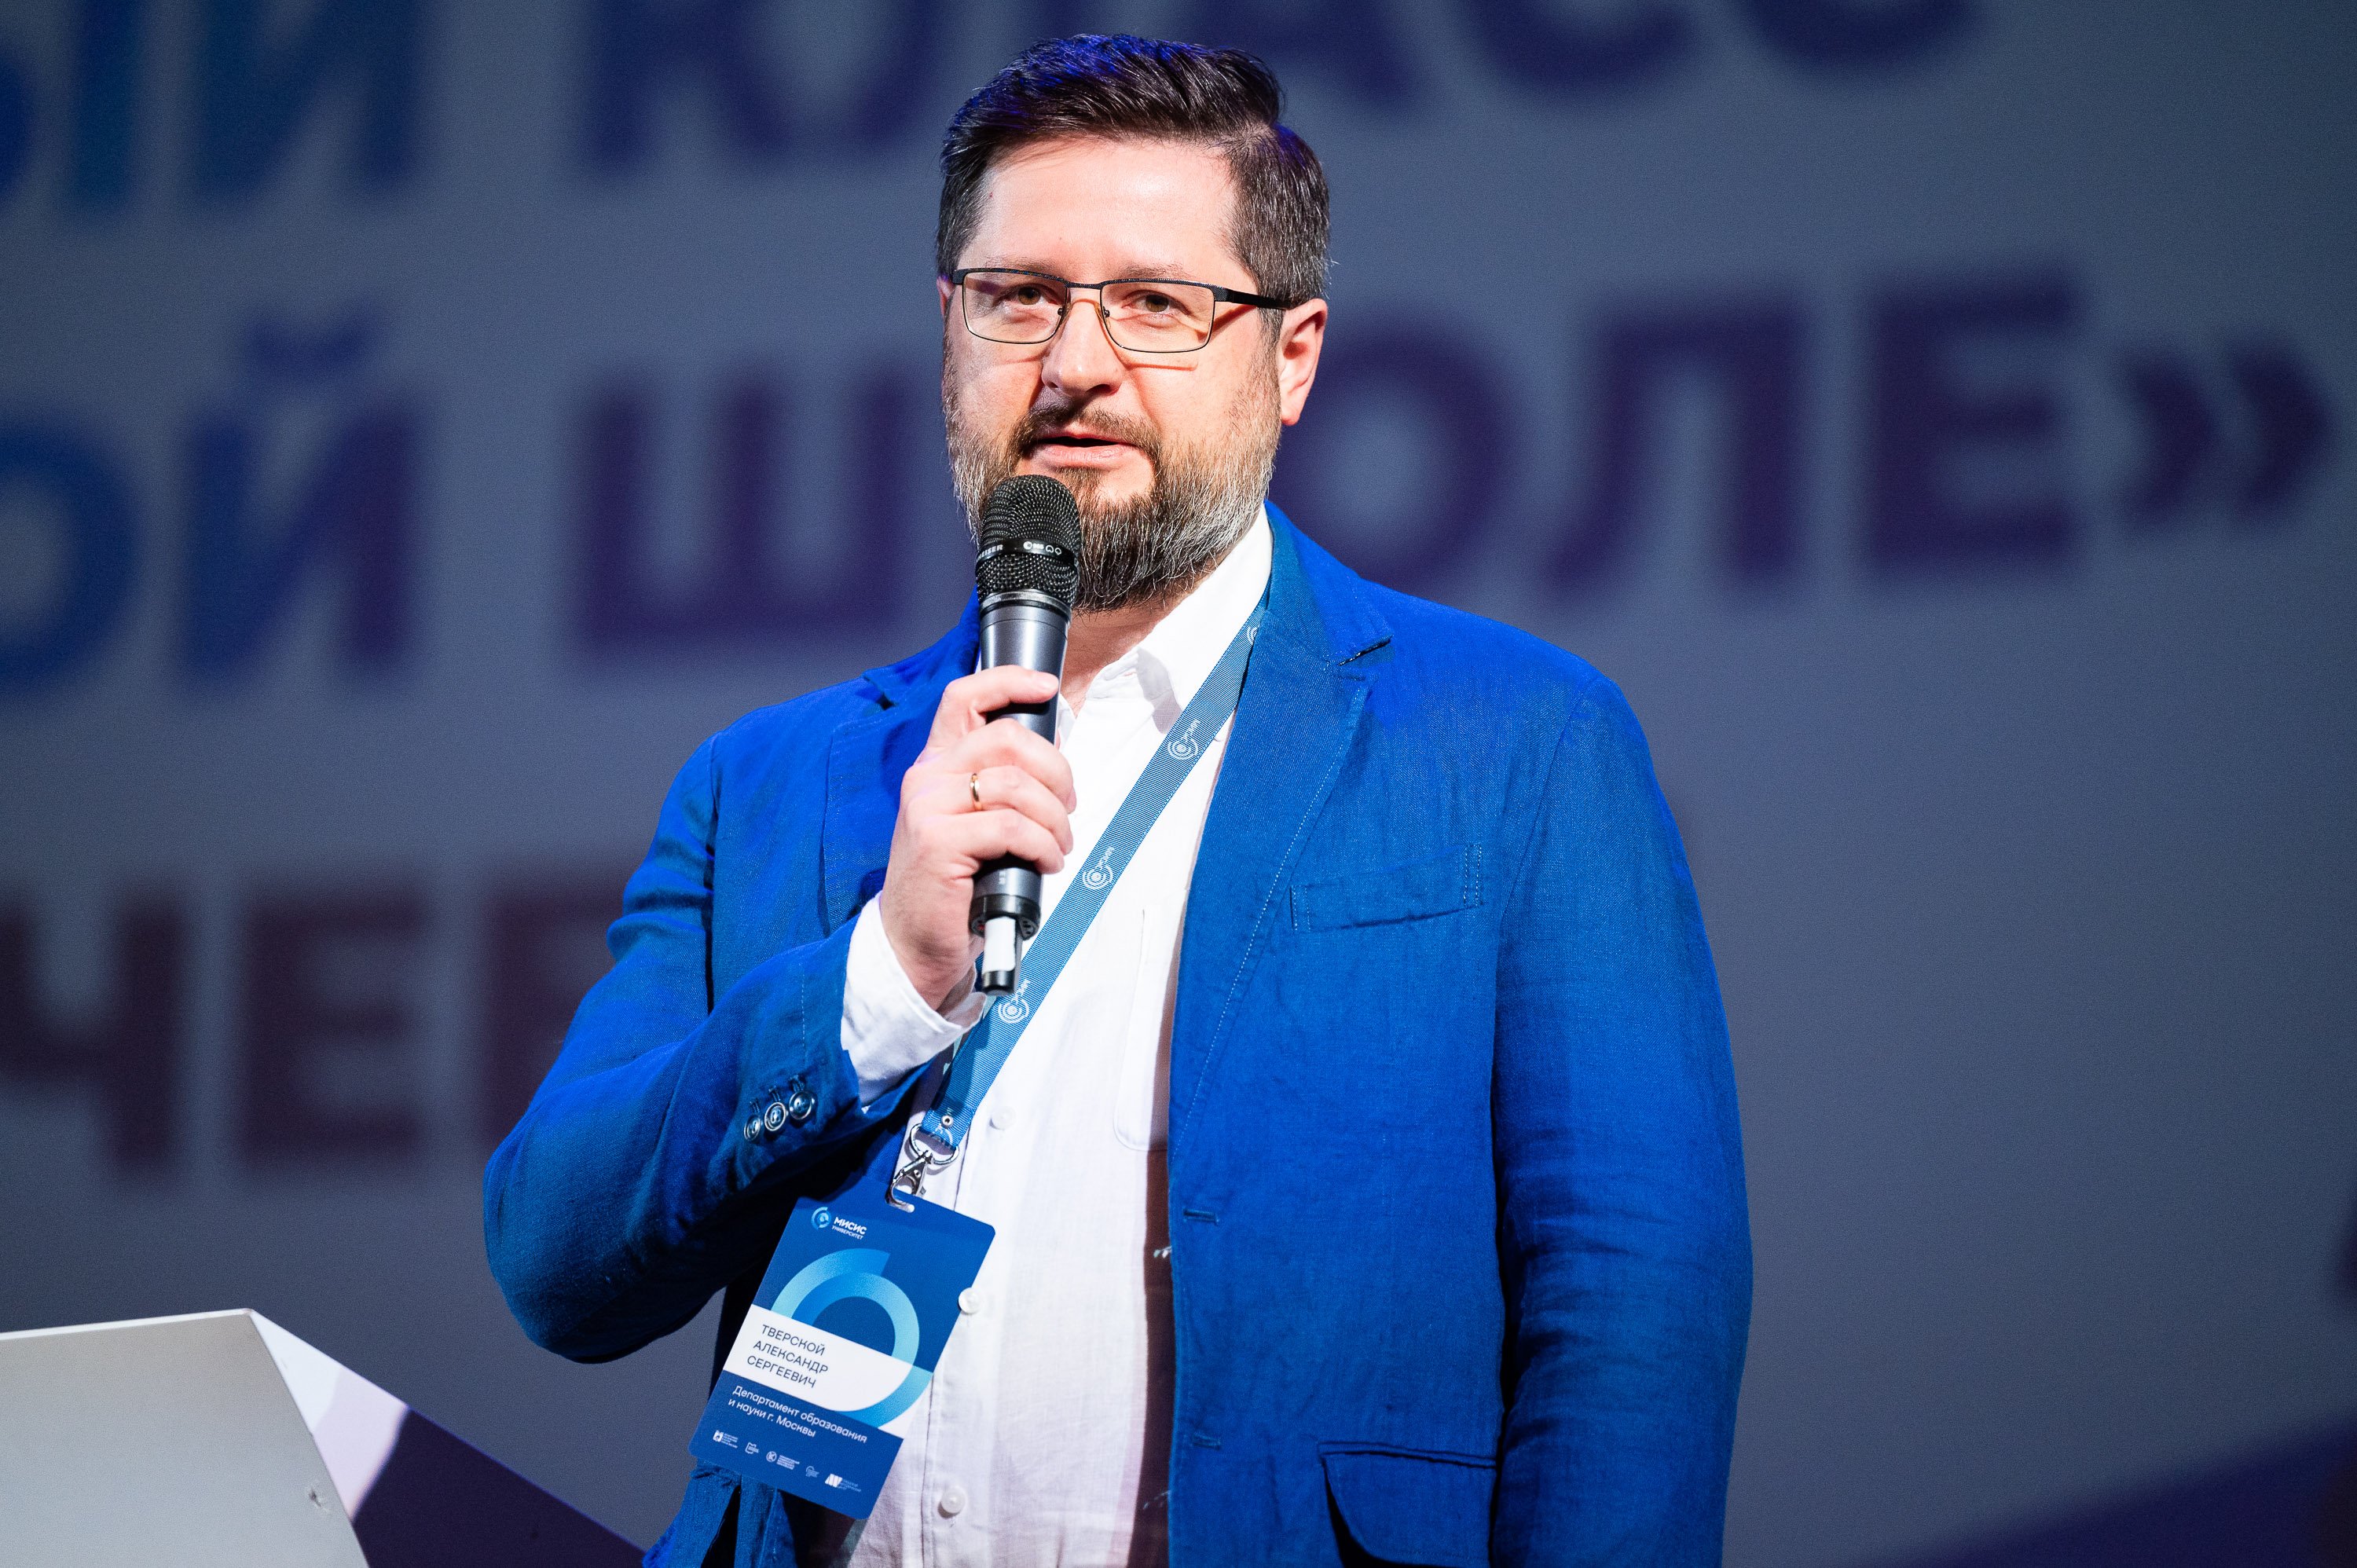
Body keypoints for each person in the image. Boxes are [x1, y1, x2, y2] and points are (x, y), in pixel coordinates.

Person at [485, 34, 1750, 1568]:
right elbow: (555, 1260)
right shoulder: (771, 780)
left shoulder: (1518, 744)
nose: (1075, 365)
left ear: (1293, 358)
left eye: (1156, 303)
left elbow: (1632, 1308)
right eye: (1021, 298)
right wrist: (879, 984)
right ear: (949, 332)